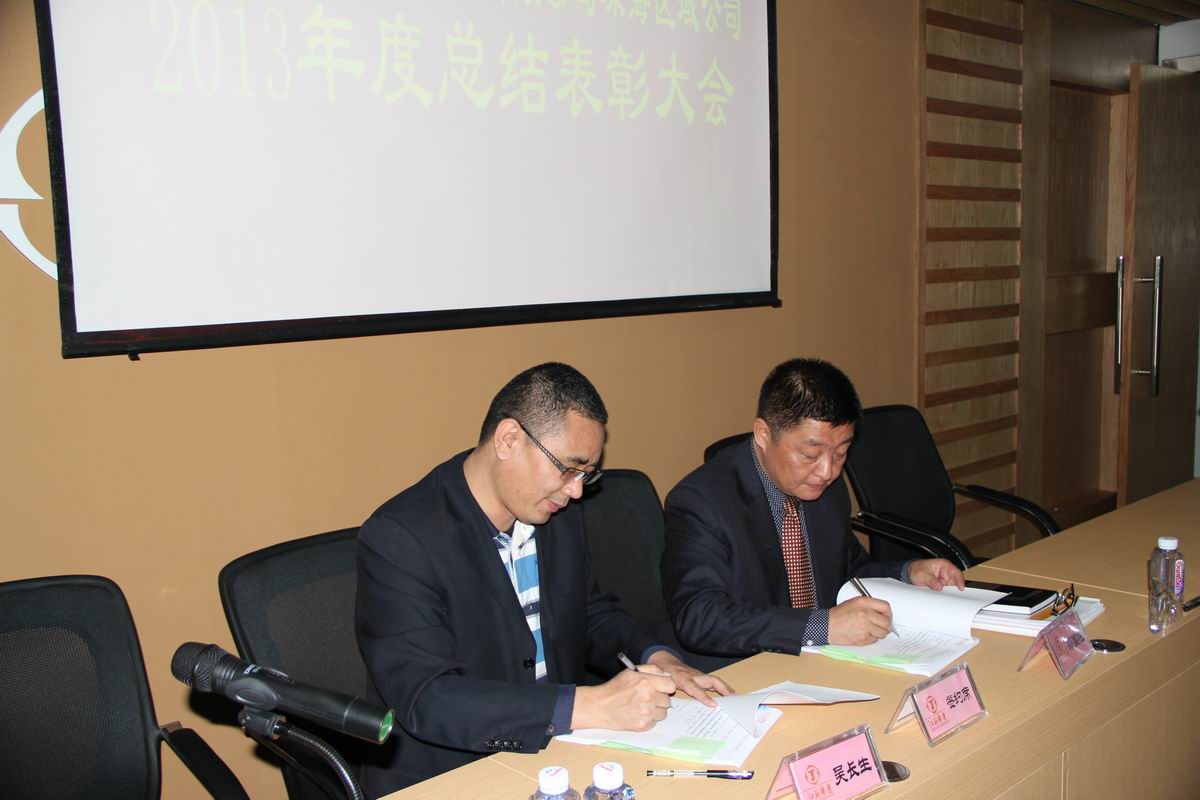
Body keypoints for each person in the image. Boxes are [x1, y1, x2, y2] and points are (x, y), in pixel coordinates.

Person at [356, 362, 732, 796]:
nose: (576, 491)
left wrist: (657, 656)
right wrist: (589, 705)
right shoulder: (401, 538)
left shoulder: (554, 512)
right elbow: (429, 699)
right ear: (508, 439)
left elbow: (590, 611)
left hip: (557, 756)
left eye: (586, 475)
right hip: (450, 773)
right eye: (568, 468)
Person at [661, 357, 964, 657]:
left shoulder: (827, 489)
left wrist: (907, 573)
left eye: (841, 453)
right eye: (810, 455)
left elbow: (849, 570)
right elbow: (699, 617)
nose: (828, 471)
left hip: (830, 659)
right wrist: (821, 626)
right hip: (751, 666)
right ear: (764, 434)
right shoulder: (701, 501)